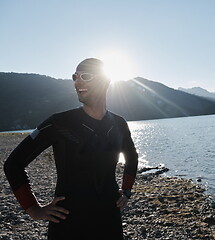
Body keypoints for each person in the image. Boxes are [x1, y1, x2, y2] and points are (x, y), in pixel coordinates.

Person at [4, 58, 138, 240]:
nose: (77, 82)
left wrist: (127, 190)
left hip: (109, 218)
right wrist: (33, 209)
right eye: (75, 77)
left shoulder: (119, 124)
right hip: (69, 222)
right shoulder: (59, 123)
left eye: (85, 76)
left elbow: (132, 157)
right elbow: (13, 164)